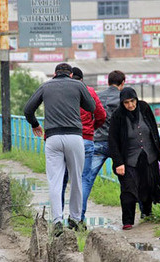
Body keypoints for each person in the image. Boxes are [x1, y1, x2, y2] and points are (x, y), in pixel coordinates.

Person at [24, 63, 95, 237]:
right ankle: (76, 219)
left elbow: (28, 110)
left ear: (55, 74)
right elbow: (91, 107)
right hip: (74, 137)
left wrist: (35, 124)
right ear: (71, 74)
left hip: (52, 138)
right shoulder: (78, 85)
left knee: (55, 181)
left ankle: (56, 221)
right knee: (76, 180)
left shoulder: (45, 86)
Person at [108, 87, 160, 230]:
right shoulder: (118, 116)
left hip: (148, 156)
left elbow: (153, 129)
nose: (130, 105)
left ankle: (147, 213)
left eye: (132, 101)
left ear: (136, 99)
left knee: (147, 185)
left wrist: (158, 152)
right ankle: (127, 221)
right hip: (128, 160)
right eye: (126, 102)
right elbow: (113, 141)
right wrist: (118, 162)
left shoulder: (145, 108)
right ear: (122, 103)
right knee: (128, 190)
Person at [61, 67, 106, 229]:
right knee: (83, 179)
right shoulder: (89, 91)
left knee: (63, 178)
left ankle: (59, 218)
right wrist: (92, 128)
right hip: (86, 138)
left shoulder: (62, 92)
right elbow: (101, 114)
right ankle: (78, 217)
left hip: (64, 138)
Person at [86, 70, 125, 200]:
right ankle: (144, 212)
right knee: (130, 180)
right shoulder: (124, 99)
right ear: (123, 83)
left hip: (97, 140)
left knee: (87, 179)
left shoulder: (97, 96)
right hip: (119, 145)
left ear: (108, 82)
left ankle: (78, 216)